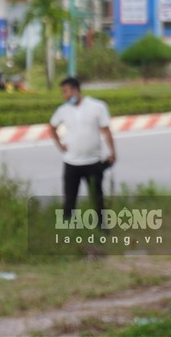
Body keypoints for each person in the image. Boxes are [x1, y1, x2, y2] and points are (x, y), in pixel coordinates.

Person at [47, 77, 116, 230]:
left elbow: (106, 130)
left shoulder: (97, 106)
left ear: (76, 90)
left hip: (93, 161)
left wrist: (112, 152)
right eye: (63, 92)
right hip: (72, 162)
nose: (64, 95)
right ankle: (67, 227)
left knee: (97, 197)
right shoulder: (62, 110)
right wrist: (60, 146)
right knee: (70, 198)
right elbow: (51, 127)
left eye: (66, 91)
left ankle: (102, 227)